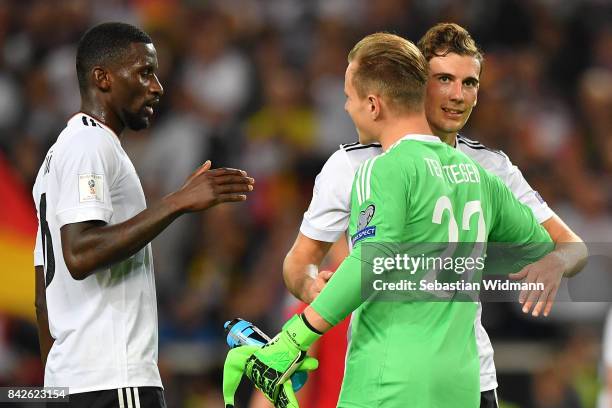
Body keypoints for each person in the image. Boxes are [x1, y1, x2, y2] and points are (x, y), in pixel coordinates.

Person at [224, 32, 554, 408]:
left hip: (389, 379)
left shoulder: (381, 171)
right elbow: (538, 243)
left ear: (373, 104)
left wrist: (292, 339)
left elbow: (370, 262)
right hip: (462, 382)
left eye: (349, 98)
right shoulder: (478, 175)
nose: (347, 109)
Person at [32, 22, 254, 407]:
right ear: (102, 78)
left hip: (74, 384)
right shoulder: (90, 145)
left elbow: (42, 298)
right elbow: (80, 254)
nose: (157, 87)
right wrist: (176, 202)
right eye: (144, 72)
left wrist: (57, 386)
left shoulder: (58, 156)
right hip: (115, 380)